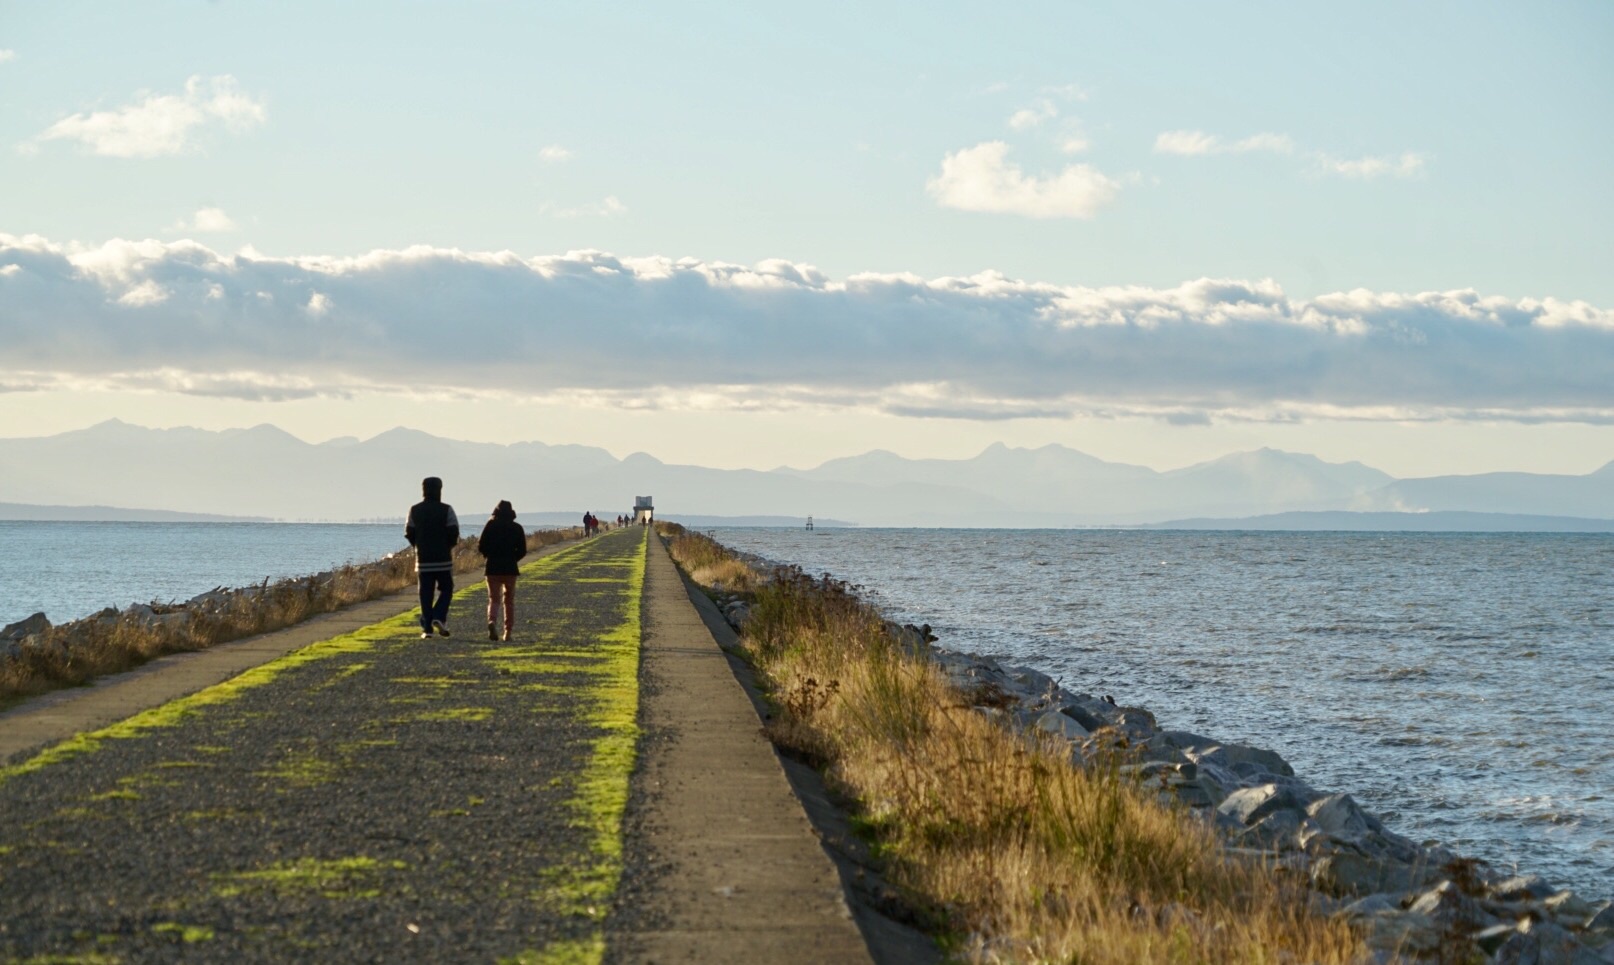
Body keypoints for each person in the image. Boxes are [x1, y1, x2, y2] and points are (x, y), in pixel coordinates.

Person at [405, 476, 459, 639]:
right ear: (439, 490)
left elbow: (409, 532)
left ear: (423, 490)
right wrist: (447, 546)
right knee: (447, 589)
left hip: (423, 560)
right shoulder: (447, 509)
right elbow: (454, 532)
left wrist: (417, 546)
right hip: (443, 559)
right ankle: (439, 616)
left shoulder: (414, 510)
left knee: (425, 593)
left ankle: (427, 628)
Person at [478, 500, 527, 642]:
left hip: (492, 567)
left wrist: (488, 556)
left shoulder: (490, 525)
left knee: (494, 599)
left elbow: (481, 545)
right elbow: (522, 550)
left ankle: (492, 621)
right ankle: (508, 632)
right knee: (509, 601)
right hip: (510, 568)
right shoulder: (517, 528)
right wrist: (513, 559)